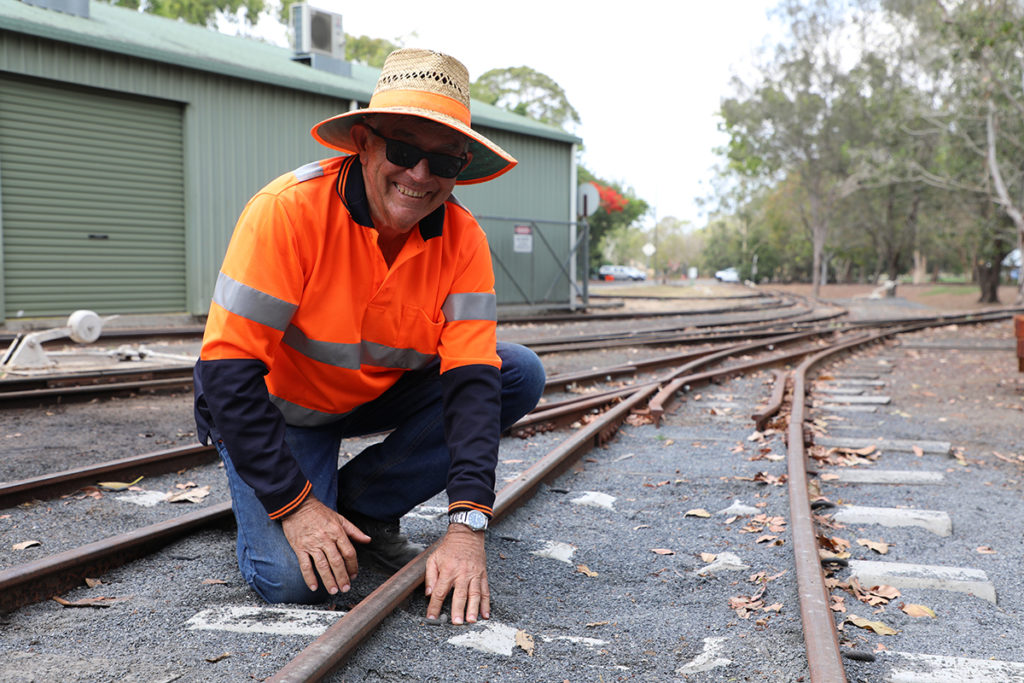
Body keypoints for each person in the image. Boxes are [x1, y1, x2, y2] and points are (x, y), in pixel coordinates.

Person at [192, 48, 546, 626]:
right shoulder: (288, 212)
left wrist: (467, 525)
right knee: (292, 583)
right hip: (277, 407)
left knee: (517, 371)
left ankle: (361, 505)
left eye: (444, 163)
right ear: (362, 141)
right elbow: (227, 374)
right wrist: (297, 505)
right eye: (403, 152)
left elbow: (474, 387)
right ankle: (304, 494)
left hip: (364, 397)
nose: (420, 176)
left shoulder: (464, 241)